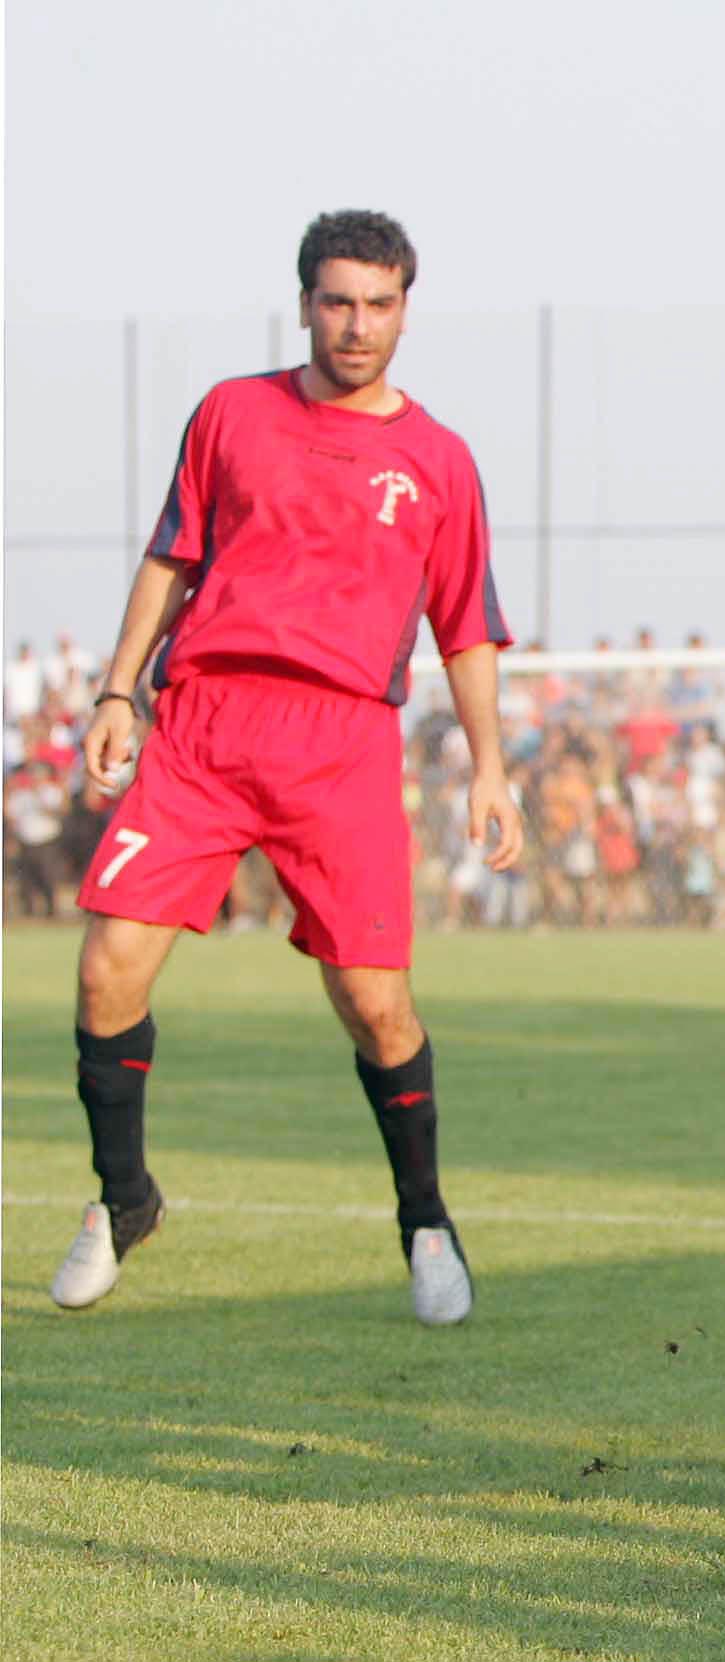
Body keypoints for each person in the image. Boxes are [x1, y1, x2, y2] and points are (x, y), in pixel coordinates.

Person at [51, 210, 520, 1324]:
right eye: (337, 301)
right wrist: (120, 691)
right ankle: (123, 1202)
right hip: (206, 724)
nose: (357, 325)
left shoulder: (440, 460)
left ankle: (423, 1220)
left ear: (406, 308)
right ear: (305, 301)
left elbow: (467, 627)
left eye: (379, 304)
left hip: (343, 742)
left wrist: (489, 767)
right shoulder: (232, 412)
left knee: (375, 1005)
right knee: (107, 967)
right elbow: (172, 555)